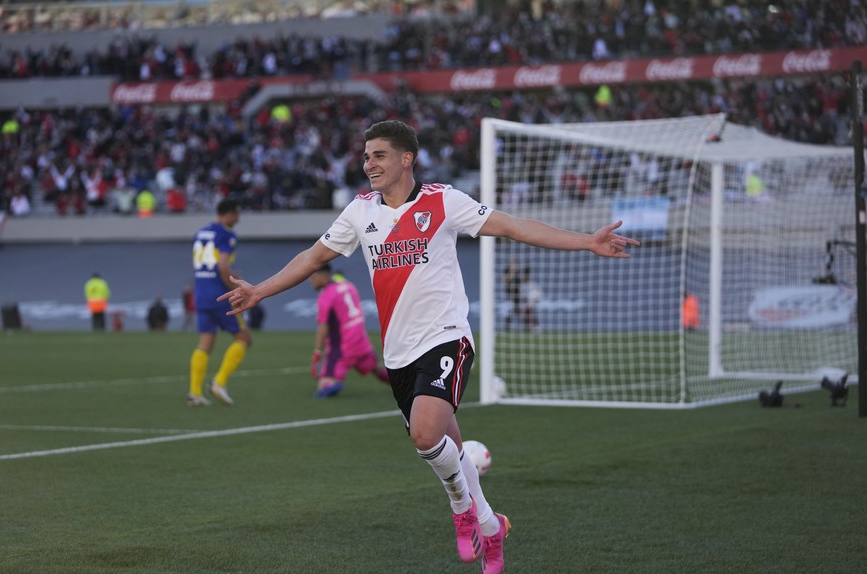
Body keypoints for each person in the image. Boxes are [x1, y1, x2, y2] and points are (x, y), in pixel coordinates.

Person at [218, 120, 640, 572]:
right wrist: (261, 289)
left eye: (378, 155)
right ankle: (490, 525)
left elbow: (514, 226)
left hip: (446, 338)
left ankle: (462, 511)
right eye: (365, 156)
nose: (368, 164)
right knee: (448, 448)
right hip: (398, 352)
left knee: (425, 433)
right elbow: (312, 258)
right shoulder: (360, 212)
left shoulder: (443, 201)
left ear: (406, 159)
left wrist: (585, 242)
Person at [186, 198, 252, 407]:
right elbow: (222, 266)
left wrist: (228, 273)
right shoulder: (227, 234)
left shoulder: (200, 232)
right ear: (229, 213)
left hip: (201, 293)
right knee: (244, 339)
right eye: (237, 213)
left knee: (205, 343)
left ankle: (195, 392)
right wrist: (234, 287)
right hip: (220, 294)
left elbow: (206, 264)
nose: (239, 218)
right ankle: (219, 382)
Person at [308, 263, 389, 398]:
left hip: (342, 347)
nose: (310, 281)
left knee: (323, 381)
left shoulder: (326, 296)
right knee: (377, 369)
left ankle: (332, 383)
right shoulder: (348, 286)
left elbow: (323, 328)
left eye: (313, 277)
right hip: (362, 342)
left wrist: (317, 353)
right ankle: (403, 381)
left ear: (323, 277)